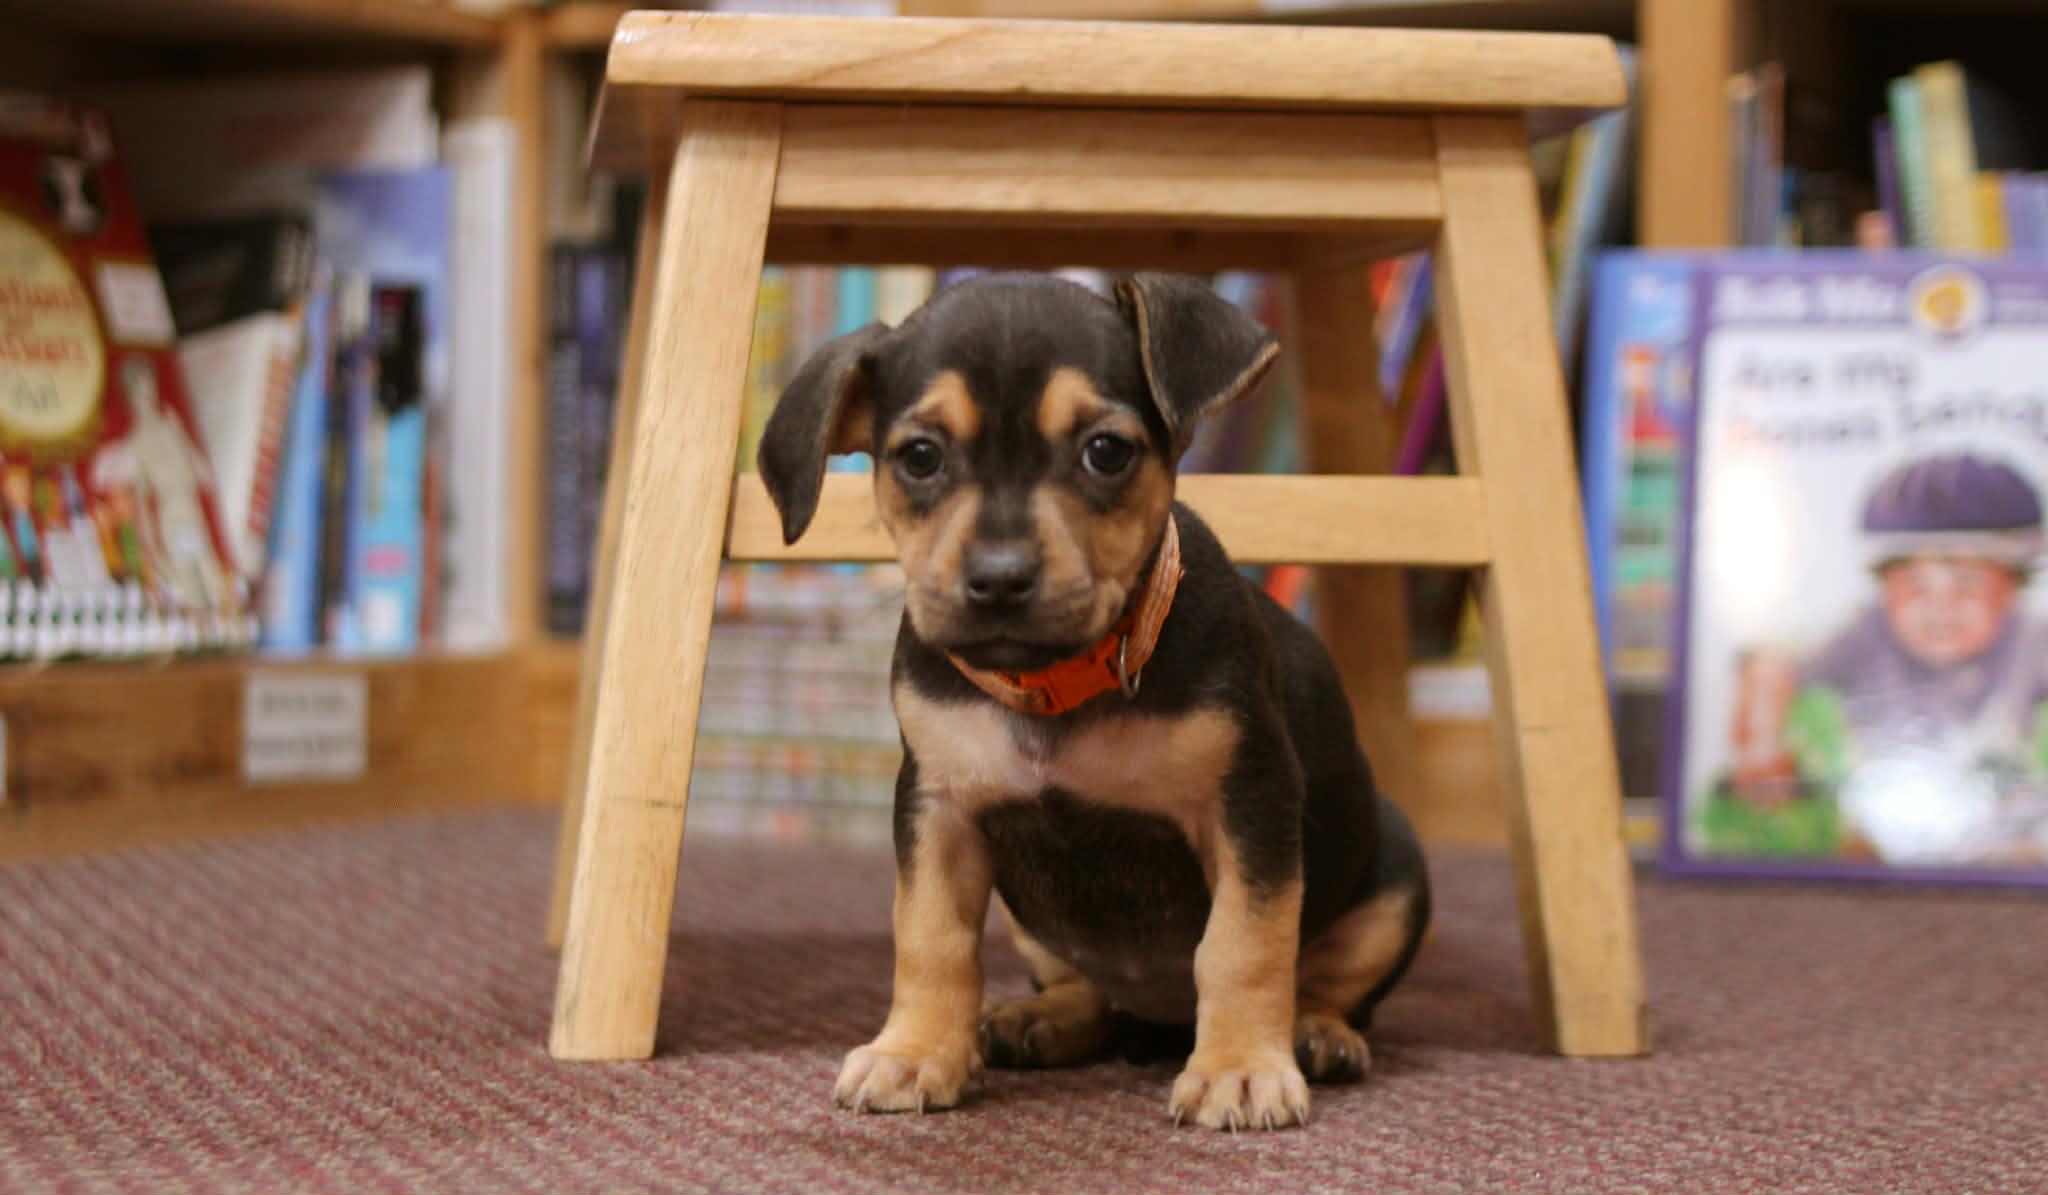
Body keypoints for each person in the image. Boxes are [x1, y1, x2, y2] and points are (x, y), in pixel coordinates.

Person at [1730, 453, 2048, 862]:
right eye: (1916, 586)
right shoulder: (1863, 636)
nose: (1941, 607)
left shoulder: (2029, 637)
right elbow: (1769, 665)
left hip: (2005, 820)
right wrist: (1762, 750)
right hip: (1880, 819)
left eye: (1969, 585)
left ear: (2012, 590)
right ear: (1884, 588)